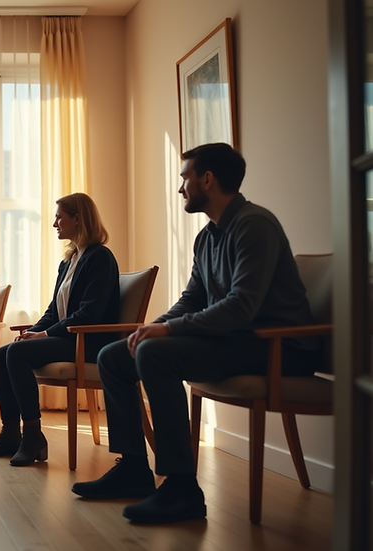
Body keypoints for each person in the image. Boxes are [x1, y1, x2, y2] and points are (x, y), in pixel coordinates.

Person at [71, 143, 321, 523]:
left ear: (208, 179)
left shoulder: (255, 225)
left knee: (155, 355)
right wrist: (153, 327)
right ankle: (135, 468)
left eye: (185, 177)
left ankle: (181, 489)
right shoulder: (207, 237)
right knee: (115, 355)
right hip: (239, 341)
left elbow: (242, 307)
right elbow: (193, 298)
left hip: (279, 348)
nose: (180, 188)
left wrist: (167, 332)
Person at [0, 193, 120, 466]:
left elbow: (89, 314)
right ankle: (9, 433)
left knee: (16, 355)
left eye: (59, 217)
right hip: (68, 337)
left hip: (87, 342)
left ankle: (32, 436)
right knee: (3, 353)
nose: (54, 224)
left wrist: (46, 334)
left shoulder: (100, 257)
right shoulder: (68, 262)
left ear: (78, 219)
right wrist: (34, 330)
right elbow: (54, 311)